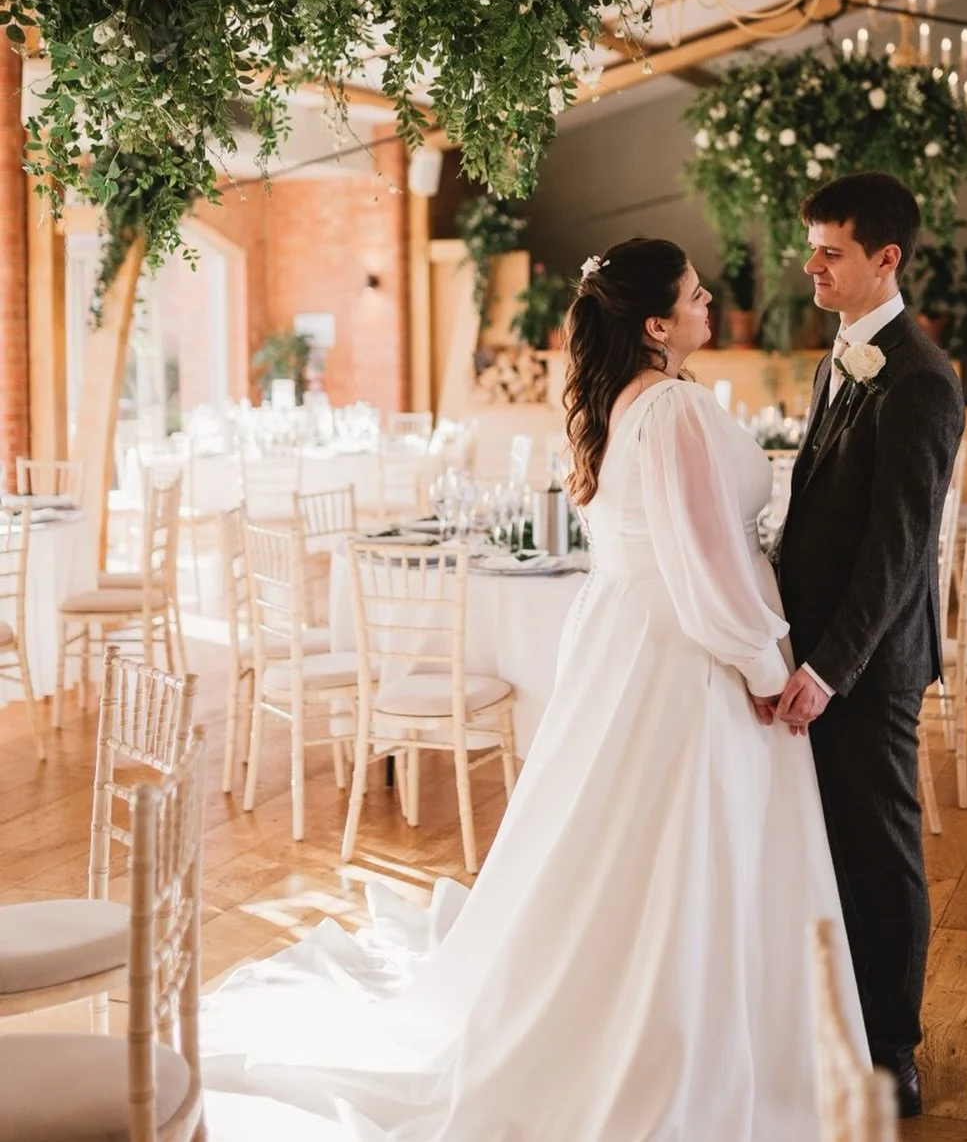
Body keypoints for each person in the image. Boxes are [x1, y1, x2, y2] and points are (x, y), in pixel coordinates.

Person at [202, 236, 865, 1141]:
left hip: (634, 643)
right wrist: (762, 663)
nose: (714, 305)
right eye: (697, 295)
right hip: (687, 660)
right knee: (689, 842)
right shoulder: (670, 407)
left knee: (630, 841)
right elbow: (703, 563)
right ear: (657, 324)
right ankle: (693, 1045)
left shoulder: (623, 402)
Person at [772, 173, 964, 1119]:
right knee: (833, 844)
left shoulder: (923, 383)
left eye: (830, 250)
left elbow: (897, 554)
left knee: (883, 853)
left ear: (885, 259)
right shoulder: (833, 358)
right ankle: (837, 1018)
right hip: (816, 650)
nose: (810, 263)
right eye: (811, 244)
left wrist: (826, 669)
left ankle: (893, 1050)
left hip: (870, 665)